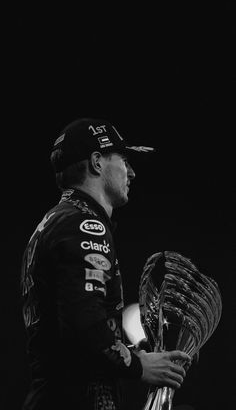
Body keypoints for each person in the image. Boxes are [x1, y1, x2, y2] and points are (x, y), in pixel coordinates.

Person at [21, 117, 191, 410]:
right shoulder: (85, 225)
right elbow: (83, 326)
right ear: (97, 162)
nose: (132, 172)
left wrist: (140, 353)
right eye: (124, 160)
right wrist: (139, 366)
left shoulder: (53, 222)